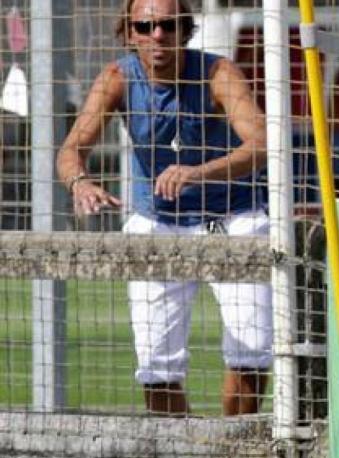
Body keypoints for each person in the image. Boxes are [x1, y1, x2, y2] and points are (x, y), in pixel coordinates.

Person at [56, 0, 271, 416]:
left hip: (233, 216)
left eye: (169, 26)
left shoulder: (218, 72)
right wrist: (81, 183)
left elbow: (261, 144)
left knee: (253, 347)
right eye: (146, 25)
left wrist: (197, 172)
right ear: (129, 31)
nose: (158, 36)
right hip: (157, 222)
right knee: (156, 363)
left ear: (185, 29)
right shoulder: (116, 78)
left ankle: (234, 453)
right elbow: (70, 151)